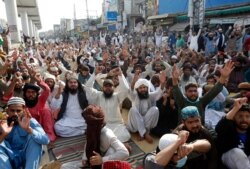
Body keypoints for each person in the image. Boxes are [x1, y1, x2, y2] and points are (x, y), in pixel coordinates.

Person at [61, 105, 129, 169]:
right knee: (64, 167)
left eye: (87, 122)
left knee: (112, 150)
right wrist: (85, 158)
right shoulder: (91, 130)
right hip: (93, 160)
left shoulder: (107, 134)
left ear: (94, 124)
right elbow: (88, 142)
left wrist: (102, 160)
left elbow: (124, 153)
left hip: (105, 161)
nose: (86, 124)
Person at [85, 66, 131, 146]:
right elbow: (88, 88)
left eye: (110, 86)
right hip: (103, 125)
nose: (108, 88)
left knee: (125, 135)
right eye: (106, 86)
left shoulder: (117, 96)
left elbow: (126, 89)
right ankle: (121, 145)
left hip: (117, 125)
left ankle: (113, 145)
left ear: (113, 87)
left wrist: (120, 74)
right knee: (97, 135)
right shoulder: (98, 95)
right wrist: (94, 74)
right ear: (103, 88)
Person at [0, 97, 49, 169]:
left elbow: (46, 140)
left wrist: (28, 129)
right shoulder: (2, 123)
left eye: (18, 111)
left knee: (35, 140)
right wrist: (4, 134)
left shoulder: (30, 121)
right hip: (8, 159)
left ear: (23, 110)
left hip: (26, 158)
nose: (15, 114)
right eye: (12, 111)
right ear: (7, 111)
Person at [127, 71, 166, 143]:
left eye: (144, 87)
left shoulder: (150, 95)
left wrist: (162, 83)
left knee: (155, 109)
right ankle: (144, 133)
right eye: (140, 88)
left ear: (147, 88)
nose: (142, 89)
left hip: (146, 123)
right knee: (133, 110)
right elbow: (130, 92)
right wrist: (133, 82)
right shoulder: (135, 96)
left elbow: (159, 93)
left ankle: (143, 132)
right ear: (137, 89)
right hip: (135, 124)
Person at [216, 97, 250, 169]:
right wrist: (235, 108)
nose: (244, 119)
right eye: (240, 116)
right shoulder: (228, 129)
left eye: (247, 116)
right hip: (229, 157)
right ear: (234, 117)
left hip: (247, 160)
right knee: (237, 152)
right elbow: (219, 128)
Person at [51, 72, 88, 137]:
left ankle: (75, 130)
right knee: (57, 128)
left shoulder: (83, 93)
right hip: (68, 119)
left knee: (94, 123)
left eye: (75, 82)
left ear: (78, 84)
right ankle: (82, 131)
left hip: (81, 119)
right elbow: (54, 106)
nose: (73, 84)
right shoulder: (63, 94)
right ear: (67, 84)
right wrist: (58, 95)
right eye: (71, 82)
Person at [23, 72, 57, 142]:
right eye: (28, 92)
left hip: (44, 124)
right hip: (30, 126)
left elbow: (47, 90)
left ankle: (49, 135)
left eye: (33, 92)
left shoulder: (40, 99)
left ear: (37, 94)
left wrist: (38, 81)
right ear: (25, 93)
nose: (30, 94)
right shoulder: (23, 102)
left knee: (46, 111)